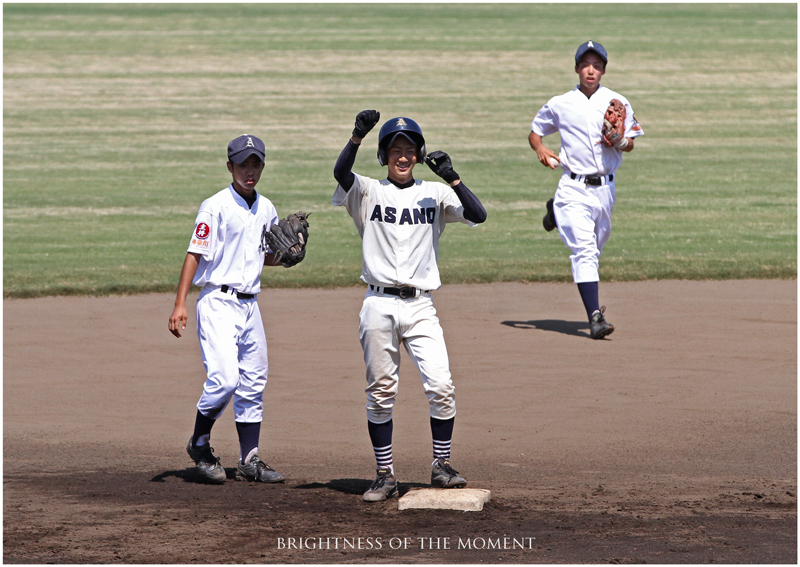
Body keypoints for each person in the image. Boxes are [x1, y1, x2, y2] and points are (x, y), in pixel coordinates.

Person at [332, 111, 487, 502]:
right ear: (384, 155)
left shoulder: (435, 194)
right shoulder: (367, 191)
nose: (403, 155)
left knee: (441, 385)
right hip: (378, 304)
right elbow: (341, 174)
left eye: (410, 149)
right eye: (395, 149)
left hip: (420, 308)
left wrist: (452, 176)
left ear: (418, 156)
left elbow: (478, 214)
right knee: (381, 392)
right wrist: (356, 138)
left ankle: (441, 465)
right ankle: (384, 474)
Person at [168, 134, 293, 484]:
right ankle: (199, 441)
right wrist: (180, 304)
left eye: (255, 164)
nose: (249, 171)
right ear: (230, 167)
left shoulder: (266, 208)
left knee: (253, 383)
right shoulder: (215, 206)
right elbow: (195, 253)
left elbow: (262, 255)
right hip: (218, 302)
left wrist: (285, 259)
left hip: (250, 307)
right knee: (225, 380)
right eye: (242, 165)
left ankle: (249, 459)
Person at [528, 40, 644, 339]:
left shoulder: (618, 101)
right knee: (585, 252)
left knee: (597, 247)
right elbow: (535, 131)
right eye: (585, 65)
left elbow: (630, 143)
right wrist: (540, 148)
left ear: (604, 70)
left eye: (596, 65)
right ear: (577, 68)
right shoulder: (561, 103)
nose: (590, 70)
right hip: (573, 187)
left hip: (605, 191)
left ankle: (555, 211)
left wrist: (620, 141)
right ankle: (595, 317)